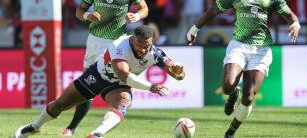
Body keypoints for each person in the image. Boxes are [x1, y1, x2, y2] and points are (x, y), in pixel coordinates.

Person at [186, 0, 300, 137]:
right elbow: (212, 11)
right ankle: (233, 93)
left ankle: (231, 131)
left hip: (261, 50)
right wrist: (194, 28)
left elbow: (290, 16)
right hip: (239, 45)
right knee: (227, 87)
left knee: (249, 97)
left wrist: (295, 24)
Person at [14, 25, 185, 138]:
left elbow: (174, 69)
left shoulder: (154, 52)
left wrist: (178, 73)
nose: (143, 48)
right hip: (97, 76)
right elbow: (124, 74)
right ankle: (35, 126)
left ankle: (96, 134)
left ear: (152, 42)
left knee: (123, 104)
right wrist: (151, 87)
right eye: (140, 44)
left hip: (117, 86)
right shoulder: (119, 46)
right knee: (59, 105)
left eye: (147, 45)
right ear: (133, 39)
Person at [61, 0, 149, 136]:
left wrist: (137, 16)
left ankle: (90, 126)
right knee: (86, 87)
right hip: (94, 41)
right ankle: (73, 128)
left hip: (115, 43)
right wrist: (87, 16)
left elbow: (144, 8)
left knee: (109, 84)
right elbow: (79, 11)